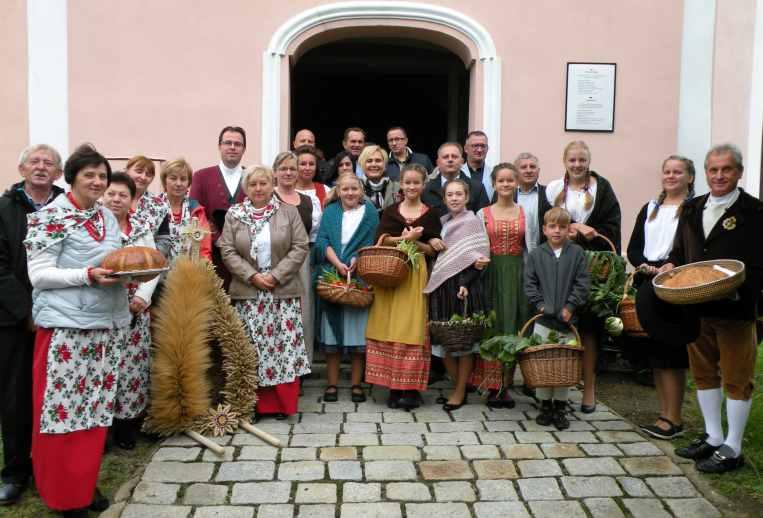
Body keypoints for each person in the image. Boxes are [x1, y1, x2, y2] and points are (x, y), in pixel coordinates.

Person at [25, 144, 130, 516]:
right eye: (90, 175)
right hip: (66, 331)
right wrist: (86, 275)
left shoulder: (106, 216)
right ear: (72, 177)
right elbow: (38, 274)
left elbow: (112, 259)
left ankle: (83, 485)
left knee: (94, 412)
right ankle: (62, 495)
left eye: (102, 175)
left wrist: (129, 276)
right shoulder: (50, 216)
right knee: (62, 415)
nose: (98, 181)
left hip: (104, 327)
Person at [664, 144, 763, 473]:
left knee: (737, 377)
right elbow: (680, 252)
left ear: (739, 172)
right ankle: (713, 436)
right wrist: (670, 265)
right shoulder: (692, 208)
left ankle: (733, 447)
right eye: (713, 170)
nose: (719, 176)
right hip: (697, 305)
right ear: (705, 173)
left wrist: (744, 294)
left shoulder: (755, 211)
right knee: (704, 373)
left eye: (727, 169)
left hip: (736, 309)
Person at [219, 165, 311, 419]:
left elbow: (300, 246)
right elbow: (226, 249)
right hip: (249, 291)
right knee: (252, 348)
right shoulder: (234, 214)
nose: (258, 189)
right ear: (246, 188)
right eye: (253, 184)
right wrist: (252, 275)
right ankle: (254, 404)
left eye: (263, 183)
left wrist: (275, 275)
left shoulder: (288, 212)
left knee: (283, 349)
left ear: (272, 184)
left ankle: (282, 405)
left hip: (282, 290)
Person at [0, 144, 64, 505]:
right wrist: (26, 311)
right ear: (22, 167)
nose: (41, 167)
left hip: (61, 318)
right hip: (14, 320)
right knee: (16, 397)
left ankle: (53, 471)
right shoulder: (4, 209)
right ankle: (15, 472)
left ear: (58, 173)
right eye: (34, 162)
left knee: (58, 398)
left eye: (48, 163)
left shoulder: (67, 210)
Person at [546, 140, 621, 412]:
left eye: (582, 160)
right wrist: (570, 227)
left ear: (589, 161)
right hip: (558, 268)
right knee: (560, 325)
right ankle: (557, 389)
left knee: (589, 329)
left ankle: (589, 389)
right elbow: (547, 223)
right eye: (572, 161)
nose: (577, 165)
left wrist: (587, 231)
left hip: (591, 271)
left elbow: (611, 227)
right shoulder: (554, 189)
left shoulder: (603, 190)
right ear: (565, 162)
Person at [625, 155, 695, 440]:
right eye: (667, 171)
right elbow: (634, 248)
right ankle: (663, 413)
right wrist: (643, 264)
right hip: (648, 284)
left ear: (689, 177)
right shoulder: (650, 208)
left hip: (675, 286)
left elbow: (691, 249)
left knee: (672, 353)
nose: (671, 176)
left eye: (677, 172)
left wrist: (670, 263)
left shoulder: (692, 210)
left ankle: (675, 417)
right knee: (656, 354)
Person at [365, 164, 442, 410]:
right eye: (407, 182)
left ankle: (410, 388)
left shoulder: (430, 214)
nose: (411, 187)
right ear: (401, 184)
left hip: (415, 274)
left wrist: (418, 243)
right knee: (389, 324)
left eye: (416, 183)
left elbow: (432, 250)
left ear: (423, 185)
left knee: (412, 326)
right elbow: (381, 239)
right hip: (389, 273)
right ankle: (393, 387)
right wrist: (404, 240)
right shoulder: (390, 212)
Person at [101, 173, 160, 450]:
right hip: (103, 308)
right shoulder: (96, 226)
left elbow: (154, 265)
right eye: (111, 193)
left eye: (123, 195)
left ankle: (126, 426)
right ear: (104, 195)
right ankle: (101, 428)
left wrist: (142, 297)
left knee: (132, 369)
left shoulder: (141, 227)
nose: (116, 199)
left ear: (131, 199)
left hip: (136, 307)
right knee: (104, 369)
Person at [424, 179, 490, 411]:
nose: (454, 198)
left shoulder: (472, 222)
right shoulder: (442, 222)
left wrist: (466, 282)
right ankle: (461, 384)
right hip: (442, 286)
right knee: (443, 340)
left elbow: (480, 257)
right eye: (449, 195)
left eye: (458, 194)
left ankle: (459, 391)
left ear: (467, 197)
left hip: (464, 287)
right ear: (444, 199)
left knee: (463, 341)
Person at [313, 173, 379, 403]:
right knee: (331, 338)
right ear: (338, 191)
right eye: (345, 189)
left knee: (357, 336)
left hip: (359, 279)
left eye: (354, 189)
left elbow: (372, 243)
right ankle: (332, 384)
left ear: (361, 191)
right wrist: (337, 263)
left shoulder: (370, 214)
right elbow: (322, 242)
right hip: (332, 275)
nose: (350, 193)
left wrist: (355, 261)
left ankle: (356, 385)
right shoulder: (330, 212)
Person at [524, 207, 590, 430]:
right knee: (543, 363)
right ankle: (544, 405)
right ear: (544, 229)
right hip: (543, 320)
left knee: (564, 364)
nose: (557, 231)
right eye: (552, 226)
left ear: (569, 230)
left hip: (567, 322)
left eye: (562, 227)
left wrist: (571, 306)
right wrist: (540, 304)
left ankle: (560, 406)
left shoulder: (577, 253)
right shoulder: (536, 254)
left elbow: (583, 283)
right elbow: (529, 284)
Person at [471, 164, 530, 408]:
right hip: (491, 273)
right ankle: (491, 385)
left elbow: (532, 246)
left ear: (516, 183)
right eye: (501, 181)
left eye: (510, 180)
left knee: (514, 324)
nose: (506, 184)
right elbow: (475, 246)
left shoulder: (526, 212)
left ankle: (506, 385)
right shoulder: (482, 213)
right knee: (492, 326)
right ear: (493, 184)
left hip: (518, 273)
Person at [273, 151, 317, 366]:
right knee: (277, 313)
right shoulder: (267, 196)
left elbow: (313, 234)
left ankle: (302, 364)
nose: (289, 172)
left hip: (302, 262)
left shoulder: (308, 201)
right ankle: (278, 363)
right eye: (283, 168)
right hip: (274, 261)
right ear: (275, 172)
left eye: (292, 168)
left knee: (303, 312)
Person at [189, 126, 247, 287]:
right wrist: (218, 239)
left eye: (238, 144)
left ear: (244, 149)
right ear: (219, 146)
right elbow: (196, 213)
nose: (232, 147)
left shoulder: (252, 177)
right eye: (228, 142)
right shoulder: (201, 176)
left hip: (246, 259)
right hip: (211, 257)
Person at [155, 158, 213, 263]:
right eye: (173, 178)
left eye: (183, 179)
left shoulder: (196, 209)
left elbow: (204, 248)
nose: (178, 183)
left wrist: (204, 269)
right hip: (157, 275)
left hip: (188, 275)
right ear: (164, 181)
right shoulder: (154, 207)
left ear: (189, 183)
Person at [423, 142, 489, 214]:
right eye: (445, 157)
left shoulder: (477, 188)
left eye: (454, 156)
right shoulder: (426, 189)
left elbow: (484, 219)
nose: (450, 160)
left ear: (462, 162)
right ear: (438, 162)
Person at [514, 152, 552, 252]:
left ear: (538, 171)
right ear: (516, 172)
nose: (529, 170)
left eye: (532, 167)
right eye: (523, 167)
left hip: (543, 253)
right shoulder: (506, 195)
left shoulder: (549, 194)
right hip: (514, 256)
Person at [125, 155, 167, 235]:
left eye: (148, 174)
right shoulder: (112, 198)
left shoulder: (160, 206)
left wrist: (151, 248)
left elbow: (164, 239)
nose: (143, 177)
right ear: (127, 171)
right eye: (139, 171)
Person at [360, 144, 399, 213]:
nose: (374, 164)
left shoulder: (397, 188)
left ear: (385, 164)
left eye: (378, 161)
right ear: (363, 165)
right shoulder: (353, 188)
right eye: (369, 161)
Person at [461, 131, 493, 200]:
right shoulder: (457, 173)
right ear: (466, 149)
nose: (479, 150)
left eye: (483, 146)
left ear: (487, 149)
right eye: (475, 146)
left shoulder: (494, 174)